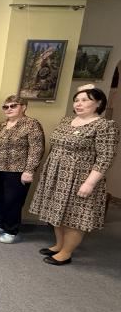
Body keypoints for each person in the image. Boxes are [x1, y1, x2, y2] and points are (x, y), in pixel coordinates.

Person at [30, 86, 119, 265]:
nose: (79, 104)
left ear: (98, 103)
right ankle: (59, 245)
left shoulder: (105, 126)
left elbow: (105, 157)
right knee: (57, 212)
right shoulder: (66, 120)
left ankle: (66, 253)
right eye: (77, 100)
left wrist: (90, 183)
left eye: (85, 100)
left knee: (74, 216)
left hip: (81, 178)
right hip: (57, 175)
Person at [0, 95, 45, 243]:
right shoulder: (3, 125)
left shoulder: (31, 124)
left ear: (23, 107)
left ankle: (12, 231)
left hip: (18, 171)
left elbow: (37, 149)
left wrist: (29, 170)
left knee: (12, 201)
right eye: (6, 107)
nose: (9, 109)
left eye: (13, 106)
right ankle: (0, 224)